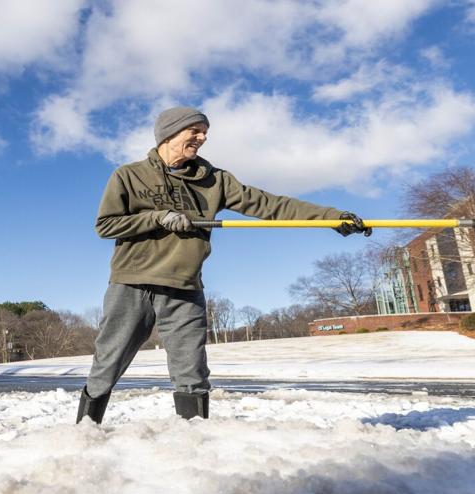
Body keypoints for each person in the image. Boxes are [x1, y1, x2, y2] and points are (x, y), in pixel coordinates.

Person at [77, 106, 368, 424]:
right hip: (133, 283)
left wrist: (329, 217)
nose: (202, 138)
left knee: (192, 370)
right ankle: (84, 432)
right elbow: (106, 225)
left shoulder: (214, 180)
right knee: (108, 362)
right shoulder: (129, 176)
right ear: (170, 132)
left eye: (205, 133)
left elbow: (269, 204)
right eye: (195, 131)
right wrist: (157, 217)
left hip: (184, 286)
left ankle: (194, 440)